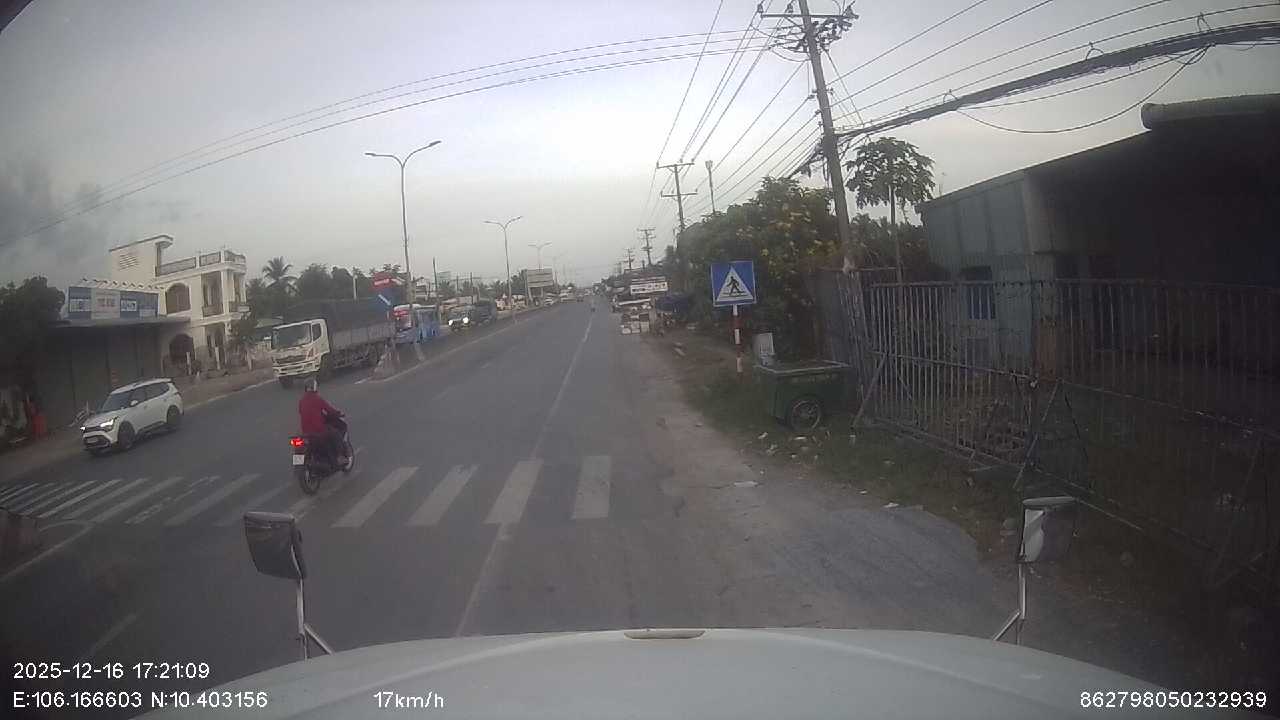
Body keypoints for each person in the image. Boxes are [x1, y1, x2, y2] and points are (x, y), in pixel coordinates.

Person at [298, 378, 345, 466]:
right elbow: (330, 410)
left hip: (305, 432)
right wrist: (338, 413)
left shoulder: (301, 401)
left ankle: (300, 463)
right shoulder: (317, 399)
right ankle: (340, 457)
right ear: (315, 387)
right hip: (318, 430)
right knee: (336, 434)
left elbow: (301, 412)